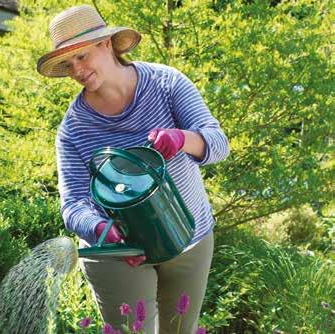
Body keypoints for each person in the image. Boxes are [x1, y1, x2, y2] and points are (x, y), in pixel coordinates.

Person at [37, 5, 230, 334]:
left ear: (106, 44)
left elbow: (218, 143)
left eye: (82, 56)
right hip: (120, 249)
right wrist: (101, 230)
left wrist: (182, 139)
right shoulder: (73, 130)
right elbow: (73, 206)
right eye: (68, 64)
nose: (77, 70)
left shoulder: (166, 84)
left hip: (187, 235)